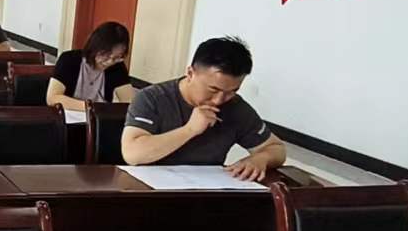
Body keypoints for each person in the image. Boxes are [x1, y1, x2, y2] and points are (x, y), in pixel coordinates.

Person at [122, 35, 287, 181]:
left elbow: (276, 148)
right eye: (213, 89)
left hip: (206, 193)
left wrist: (260, 159)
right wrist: (190, 130)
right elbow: (132, 154)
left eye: (232, 91)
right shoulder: (152, 98)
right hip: (150, 192)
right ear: (190, 73)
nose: (219, 100)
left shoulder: (235, 107)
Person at [47, 21, 132, 111]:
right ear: (95, 46)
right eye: (106, 55)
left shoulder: (117, 67)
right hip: (68, 115)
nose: (110, 62)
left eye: (117, 57)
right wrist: (91, 108)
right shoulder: (69, 60)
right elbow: (53, 98)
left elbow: (130, 103)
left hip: (98, 118)